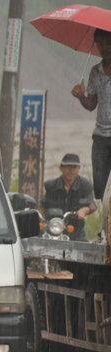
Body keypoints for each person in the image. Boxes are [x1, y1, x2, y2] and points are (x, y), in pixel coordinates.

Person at [72, 28, 111, 232]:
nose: (104, 47)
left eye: (108, 42)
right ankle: (104, 231)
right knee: (100, 189)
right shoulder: (96, 71)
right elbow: (91, 105)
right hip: (101, 137)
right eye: (100, 43)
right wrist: (80, 96)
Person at [42, 153, 97, 241]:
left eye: (74, 167)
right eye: (67, 166)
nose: (71, 170)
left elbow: (92, 205)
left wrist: (84, 211)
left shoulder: (85, 185)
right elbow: (43, 205)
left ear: (79, 169)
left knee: (85, 251)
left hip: (76, 230)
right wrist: (40, 217)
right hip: (54, 228)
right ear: (61, 168)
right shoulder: (51, 185)